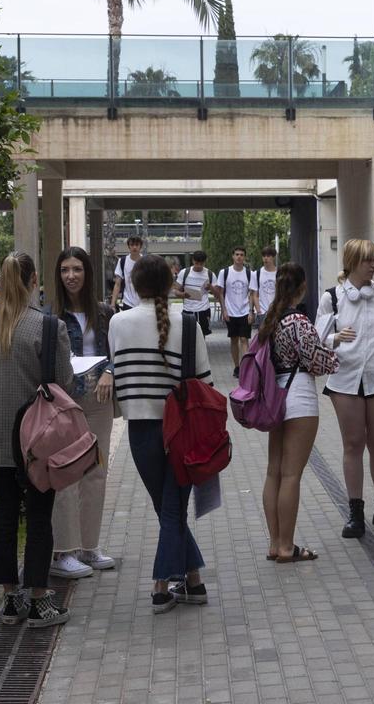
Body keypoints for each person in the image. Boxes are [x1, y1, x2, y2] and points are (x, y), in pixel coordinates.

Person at [0, 252, 75, 629]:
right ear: (33, 282)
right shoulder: (48, 327)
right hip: (38, 439)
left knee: (5, 515)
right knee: (41, 516)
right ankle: (41, 599)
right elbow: (65, 382)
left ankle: (10, 599)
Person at [108, 255, 214, 613]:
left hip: (140, 431)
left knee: (168, 509)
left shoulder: (117, 322)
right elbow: (205, 385)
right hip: (182, 432)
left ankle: (178, 584)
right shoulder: (189, 324)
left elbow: (119, 374)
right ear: (170, 285)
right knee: (173, 510)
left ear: (134, 285)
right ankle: (171, 585)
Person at [318, 240, 374, 538]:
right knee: (353, 444)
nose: (373, 265)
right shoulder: (332, 297)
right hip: (345, 380)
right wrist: (335, 339)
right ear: (352, 262)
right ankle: (354, 512)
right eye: (367, 260)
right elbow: (319, 338)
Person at [260, 263, 339, 562]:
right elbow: (317, 361)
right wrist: (334, 358)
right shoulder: (299, 322)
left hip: (274, 397)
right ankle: (286, 547)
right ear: (302, 287)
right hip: (299, 398)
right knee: (292, 475)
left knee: (274, 472)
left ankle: (274, 542)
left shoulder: (270, 319)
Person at [50, 246, 117, 580]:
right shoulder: (51, 314)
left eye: (77, 269)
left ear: (88, 273)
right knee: (66, 473)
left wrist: (110, 372)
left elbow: (116, 350)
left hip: (98, 397)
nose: (71, 276)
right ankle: (63, 551)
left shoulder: (104, 312)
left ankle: (89, 546)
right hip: (64, 398)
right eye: (65, 270)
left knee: (96, 471)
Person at [214, 246, 254, 377]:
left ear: (245, 257)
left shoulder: (250, 273)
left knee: (244, 339)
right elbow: (220, 293)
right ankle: (237, 367)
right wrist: (224, 310)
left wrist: (250, 311)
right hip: (230, 311)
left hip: (244, 311)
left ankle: (246, 367)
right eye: (237, 254)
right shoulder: (224, 272)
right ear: (232, 256)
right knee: (234, 339)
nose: (239, 257)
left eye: (242, 254)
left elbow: (252, 293)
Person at [176, 250, 214, 337]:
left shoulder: (209, 274)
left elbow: (217, 293)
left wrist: (210, 287)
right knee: (187, 334)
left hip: (203, 310)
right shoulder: (184, 273)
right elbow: (176, 290)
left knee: (202, 335)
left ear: (205, 262)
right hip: (188, 310)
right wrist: (182, 294)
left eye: (201, 264)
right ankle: (189, 350)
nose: (199, 266)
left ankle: (201, 350)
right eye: (197, 263)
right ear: (193, 261)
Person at [111, 235, 144, 311]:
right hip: (127, 302)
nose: (134, 247)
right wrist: (113, 304)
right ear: (129, 246)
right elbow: (117, 284)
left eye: (137, 245)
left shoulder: (145, 261)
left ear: (140, 246)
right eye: (132, 245)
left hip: (143, 303)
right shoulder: (122, 261)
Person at [250, 245, 279, 331]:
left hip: (276, 311)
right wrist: (259, 311)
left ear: (273, 257)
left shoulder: (279, 273)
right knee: (263, 340)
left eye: (268, 256)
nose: (266, 258)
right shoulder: (256, 274)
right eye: (264, 256)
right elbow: (254, 294)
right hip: (262, 312)